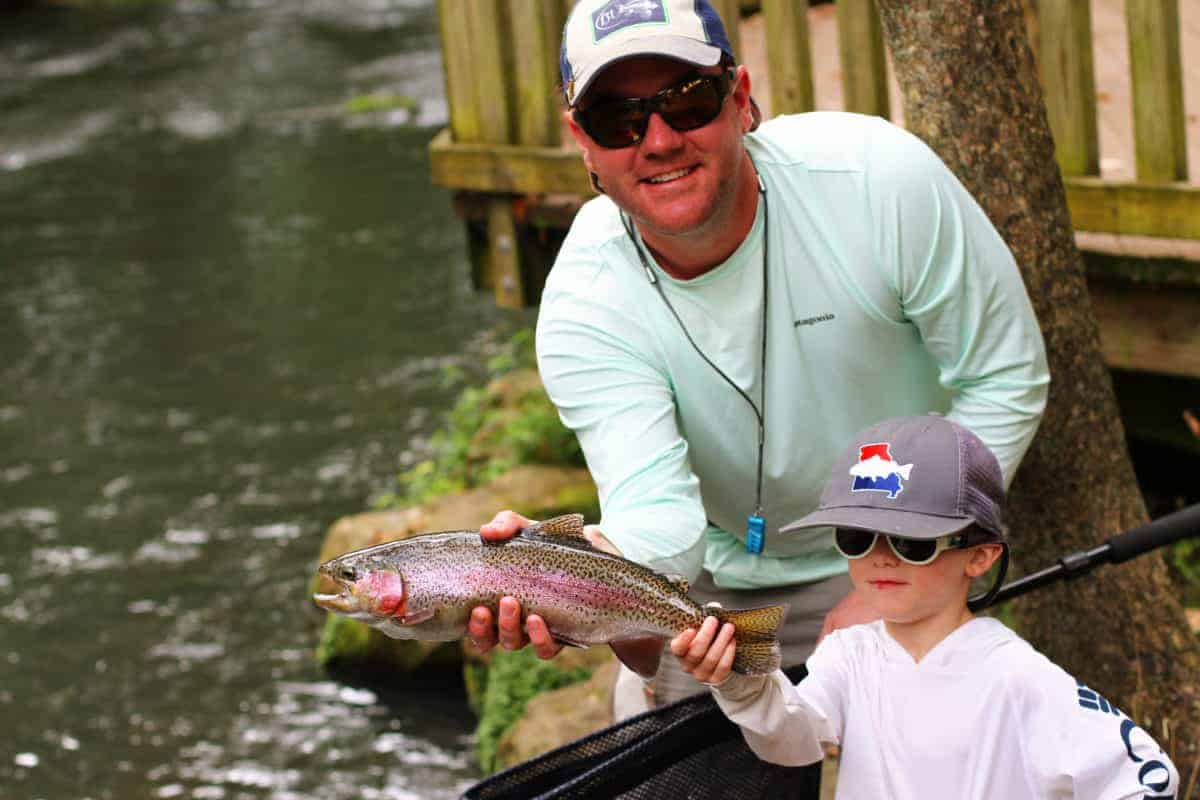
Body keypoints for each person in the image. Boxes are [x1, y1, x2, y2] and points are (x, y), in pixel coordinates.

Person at [469, 0, 1050, 718]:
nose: (656, 139)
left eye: (686, 101)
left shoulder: (875, 182)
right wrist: (574, 569)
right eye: (616, 119)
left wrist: (897, 568)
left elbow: (1005, 375)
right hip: (704, 598)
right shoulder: (586, 299)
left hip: (911, 555)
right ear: (581, 142)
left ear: (740, 99)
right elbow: (657, 517)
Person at [672, 414, 1180, 798]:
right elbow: (793, 741)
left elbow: (1149, 778)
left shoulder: (1016, 676)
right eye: (857, 537)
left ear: (979, 556)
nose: (879, 559)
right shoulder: (849, 654)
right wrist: (741, 680)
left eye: (912, 543)